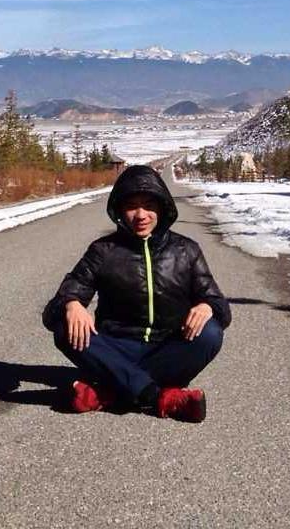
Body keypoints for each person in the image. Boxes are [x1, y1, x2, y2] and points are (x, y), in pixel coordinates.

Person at [42, 164, 231, 423]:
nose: (141, 215)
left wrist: (207, 306)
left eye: (149, 205)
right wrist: (71, 304)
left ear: (162, 208)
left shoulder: (186, 250)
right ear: (120, 210)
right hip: (117, 348)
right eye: (132, 206)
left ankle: (110, 391)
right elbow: (54, 310)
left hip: (168, 349)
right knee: (65, 326)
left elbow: (220, 307)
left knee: (210, 332)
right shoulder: (103, 251)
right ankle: (158, 396)